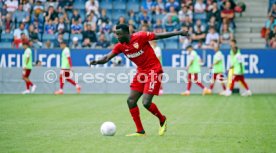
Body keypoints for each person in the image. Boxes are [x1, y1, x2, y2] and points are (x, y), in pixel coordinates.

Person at [90, 24, 189, 136]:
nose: (117, 37)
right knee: (131, 101)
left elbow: (159, 36)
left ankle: (162, 120)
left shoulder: (140, 36)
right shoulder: (120, 46)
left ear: (127, 33)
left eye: (119, 34)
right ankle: (140, 131)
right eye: (116, 34)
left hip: (153, 70)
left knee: (146, 103)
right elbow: (107, 57)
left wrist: (179, 32)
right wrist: (97, 62)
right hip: (141, 72)